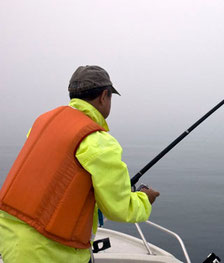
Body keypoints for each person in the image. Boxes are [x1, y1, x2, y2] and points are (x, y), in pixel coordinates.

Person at [0, 65, 160, 262]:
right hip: (49, 251)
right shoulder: (99, 142)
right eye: (110, 97)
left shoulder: (42, 122)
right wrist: (144, 199)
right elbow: (119, 208)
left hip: (10, 237)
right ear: (103, 96)